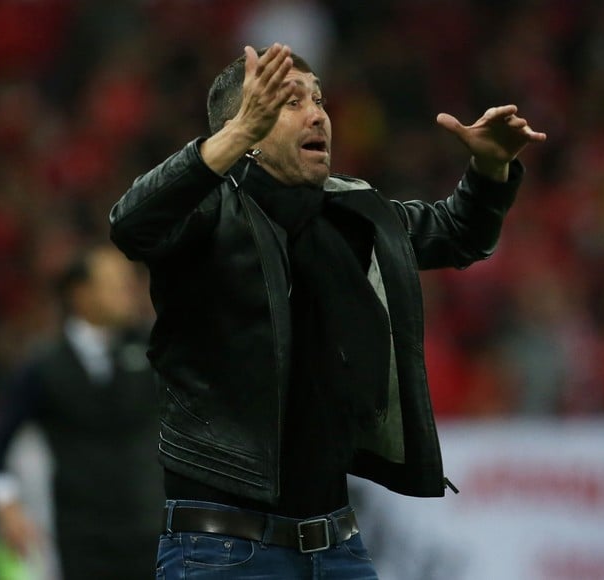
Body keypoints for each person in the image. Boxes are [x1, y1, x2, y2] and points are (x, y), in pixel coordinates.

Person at [109, 43, 545, 579]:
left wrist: (488, 167)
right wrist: (234, 136)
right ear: (243, 125)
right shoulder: (202, 217)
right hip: (222, 547)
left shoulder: (354, 212)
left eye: (319, 99)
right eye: (290, 102)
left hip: (338, 546)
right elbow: (130, 224)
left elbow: (458, 236)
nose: (317, 114)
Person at [0, 244, 163, 579]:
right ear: (80, 293)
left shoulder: (155, 349)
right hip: (81, 534)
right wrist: (5, 505)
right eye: (114, 284)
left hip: (150, 528)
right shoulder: (44, 366)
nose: (128, 292)